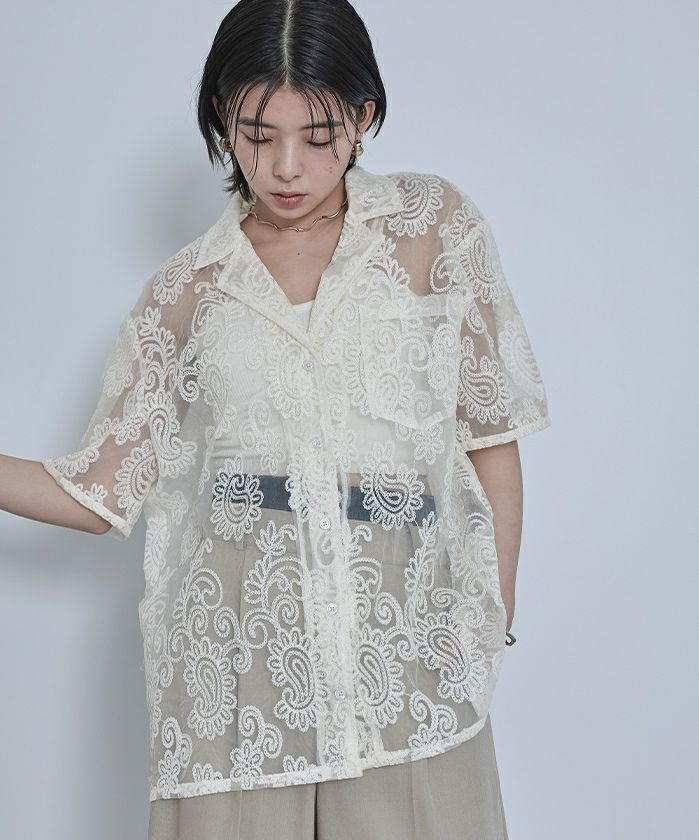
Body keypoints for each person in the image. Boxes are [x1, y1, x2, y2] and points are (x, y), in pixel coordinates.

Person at [1, 1, 552, 838]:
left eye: (318, 135)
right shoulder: (187, 290)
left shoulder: (432, 230)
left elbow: (491, 437)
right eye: (258, 136)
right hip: (240, 645)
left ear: (363, 118)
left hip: (405, 632)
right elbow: (98, 492)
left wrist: (489, 616)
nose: (287, 167)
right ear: (225, 120)